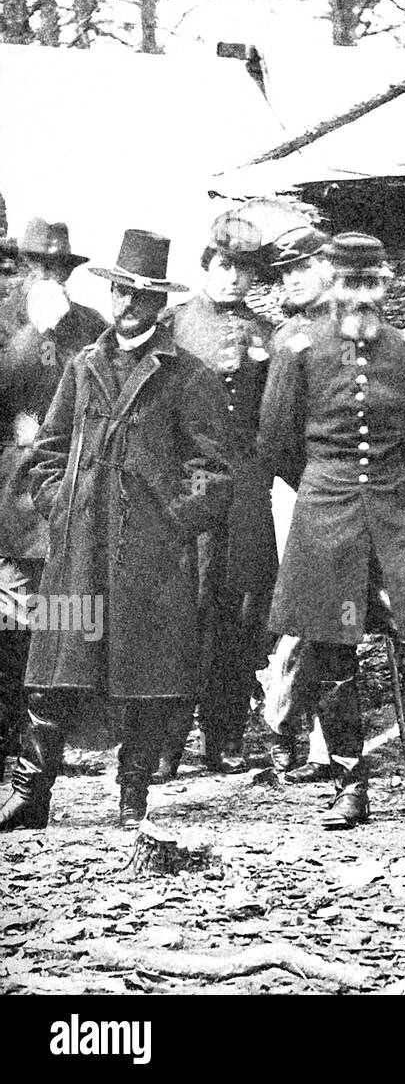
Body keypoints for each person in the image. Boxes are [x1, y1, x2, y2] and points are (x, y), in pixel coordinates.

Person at [0, 230, 233, 831]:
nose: (127, 304)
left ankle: (132, 799)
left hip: (147, 559)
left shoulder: (189, 376)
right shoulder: (83, 366)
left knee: (145, 681)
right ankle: (31, 795)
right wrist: (62, 504)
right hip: (78, 548)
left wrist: (170, 523)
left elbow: (214, 473)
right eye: (119, 292)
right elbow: (46, 453)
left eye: (139, 295)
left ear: (158, 303)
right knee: (53, 675)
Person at [258, 232, 405, 832]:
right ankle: (350, 788)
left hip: (393, 515)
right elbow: (275, 442)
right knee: (333, 650)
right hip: (325, 516)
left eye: (370, 283)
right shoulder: (298, 348)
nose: (360, 295)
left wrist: (381, 483)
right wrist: (329, 487)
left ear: (386, 283)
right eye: (349, 282)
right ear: (330, 280)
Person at [155, 211, 277, 775]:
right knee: (183, 604)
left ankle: (225, 730)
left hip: (246, 486)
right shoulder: (173, 325)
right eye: (225, 266)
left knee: (238, 606)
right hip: (192, 480)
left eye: (246, 271)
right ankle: (166, 738)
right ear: (207, 266)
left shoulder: (266, 334)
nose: (234, 279)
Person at [0, 220, 107, 779]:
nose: (48, 278)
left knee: (67, 619)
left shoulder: (88, 326)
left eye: (59, 270)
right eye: (38, 266)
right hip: (11, 496)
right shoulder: (1, 321)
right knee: (11, 623)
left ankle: (50, 748)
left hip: (70, 491)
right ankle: (8, 739)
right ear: (19, 266)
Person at [258, 224, 335, 781]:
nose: (293, 279)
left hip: (359, 493)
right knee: (302, 612)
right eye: (285, 272)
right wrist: (313, 484)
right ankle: (285, 727)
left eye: (303, 267)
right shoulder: (287, 339)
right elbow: (276, 437)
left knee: (347, 614)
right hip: (302, 490)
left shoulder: (366, 331)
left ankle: (330, 743)